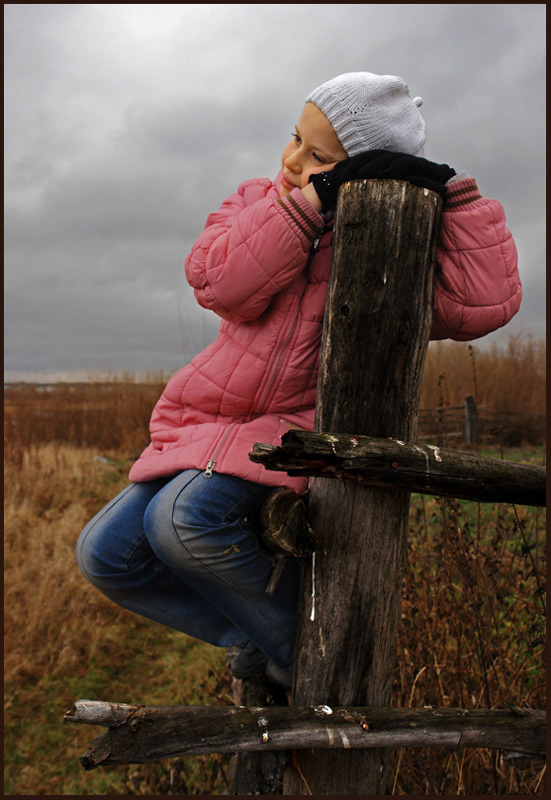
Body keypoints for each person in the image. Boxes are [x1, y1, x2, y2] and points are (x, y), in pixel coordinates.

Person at [76, 72, 521, 692]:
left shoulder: (388, 232)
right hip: (208, 421)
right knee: (106, 554)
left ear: (365, 172)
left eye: (320, 156)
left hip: (296, 428)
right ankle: (260, 640)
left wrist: (455, 195)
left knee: (180, 522)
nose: (293, 161)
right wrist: (307, 204)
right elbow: (219, 283)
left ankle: (308, 664)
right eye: (295, 139)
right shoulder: (263, 202)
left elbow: (484, 304)